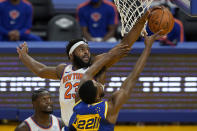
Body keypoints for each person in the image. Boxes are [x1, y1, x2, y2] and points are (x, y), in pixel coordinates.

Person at [17, 7, 157, 126]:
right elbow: (41, 70)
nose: (86, 52)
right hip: (69, 124)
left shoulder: (97, 63)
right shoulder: (63, 69)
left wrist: (142, 21)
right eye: (81, 49)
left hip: (90, 120)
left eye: (87, 49)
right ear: (72, 55)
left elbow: (124, 45)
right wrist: (24, 56)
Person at [66, 31, 162, 131]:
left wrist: (110, 55)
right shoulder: (107, 109)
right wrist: (148, 47)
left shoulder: (78, 105)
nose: (99, 83)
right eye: (98, 84)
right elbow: (133, 76)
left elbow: (87, 75)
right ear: (98, 96)